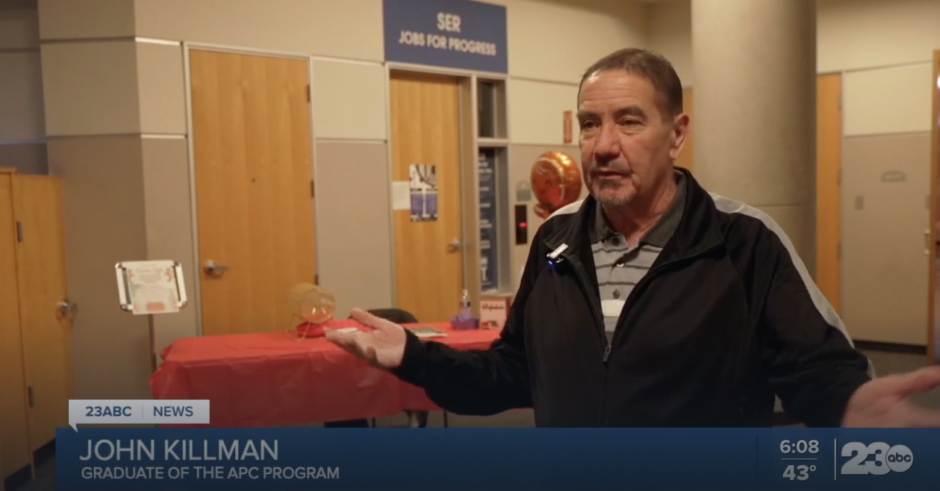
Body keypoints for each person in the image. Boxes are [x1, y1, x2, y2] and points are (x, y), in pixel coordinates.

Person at [328, 48, 940, 427]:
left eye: (628, 121)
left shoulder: (743, 241)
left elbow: (816, 367)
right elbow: (514, 372)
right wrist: (415, 356)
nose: (603, 146)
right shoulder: (556, 241)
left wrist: (849, 406)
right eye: (589, 124)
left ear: (676, 134)